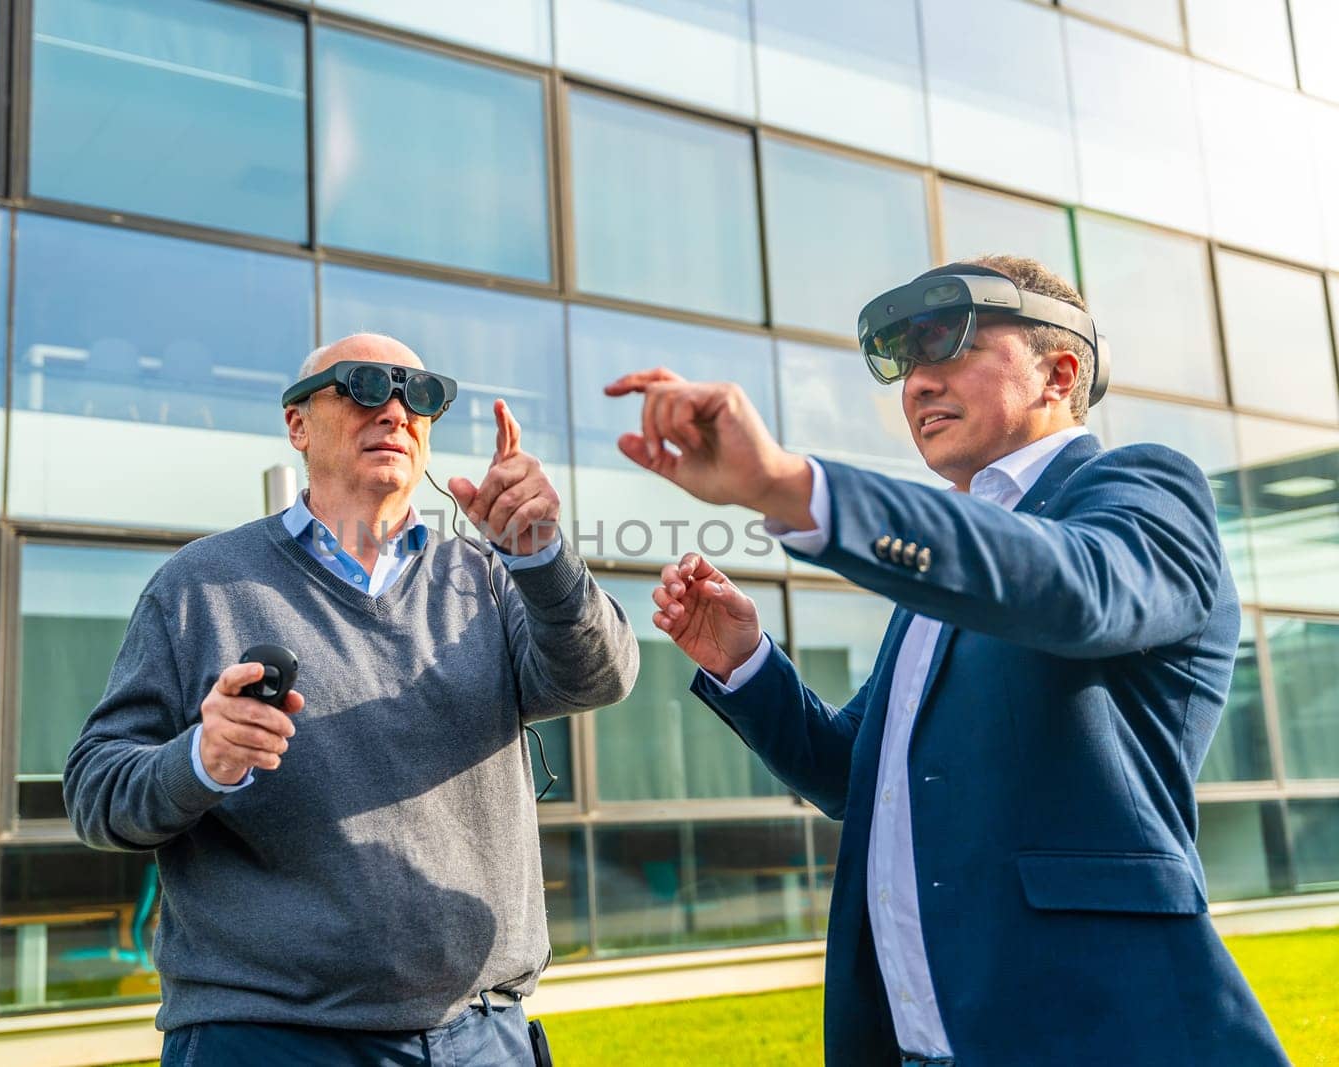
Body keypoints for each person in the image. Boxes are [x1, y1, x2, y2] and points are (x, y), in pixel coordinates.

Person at [606, 256, 1288, 1066]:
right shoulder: (944, 570)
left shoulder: (1143, 488)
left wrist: (794, 486)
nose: (918, 383)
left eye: (948, 344)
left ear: (1058, 372)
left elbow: (1078, 587)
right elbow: (853, 774)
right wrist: (747, 663)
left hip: (1099, 1033)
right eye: (904, 361)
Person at [65, 333, 638, 1065]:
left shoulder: (490, 578)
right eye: (365, 384)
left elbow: (602, 675)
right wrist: (200, 761)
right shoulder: (198, 586)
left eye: (419, 392)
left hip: (484, 1034)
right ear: (297, 424)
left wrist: (542, 558)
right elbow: (94, 791)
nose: (395, 408)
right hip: (271, 1039)